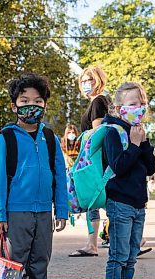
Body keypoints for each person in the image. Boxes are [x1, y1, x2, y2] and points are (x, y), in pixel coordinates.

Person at [0, 73, 68, 279]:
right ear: (14, 106)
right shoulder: (5, 138)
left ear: (45, 104)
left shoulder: (50, 138)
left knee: (40, 261)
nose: (31, 106)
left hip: (44, 210)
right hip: (16, 212)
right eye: (24, 100)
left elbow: (59, 174)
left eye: (37, 100)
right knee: (15, 262)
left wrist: (62, 208)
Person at [102, 82, 155, 279]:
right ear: (118, 107)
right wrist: (134, 145)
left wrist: (143, 143)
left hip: (138, 203)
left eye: (142, 103)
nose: (140, 108)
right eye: (134, 104)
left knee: (131, 256)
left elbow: (151, 168)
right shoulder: (113, 131)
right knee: (118, 255)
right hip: (120, 201)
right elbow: (119, 166)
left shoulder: (139, 131)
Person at [70, 65, 112, 257]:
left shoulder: (98, 102)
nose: (87, 84)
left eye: (90, 80)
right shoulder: (101, 101)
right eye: (84, 80)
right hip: (99, 160)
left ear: (99, 80)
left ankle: (93, 243)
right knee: (100, 201)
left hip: (95, 160)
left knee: (93, 198)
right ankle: (93, 243)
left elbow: (97, 133)